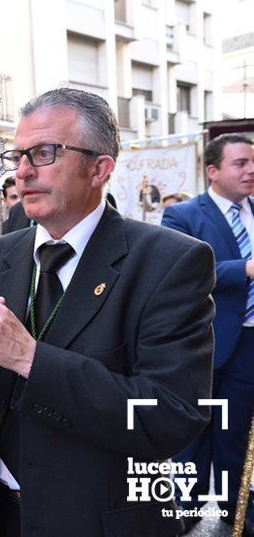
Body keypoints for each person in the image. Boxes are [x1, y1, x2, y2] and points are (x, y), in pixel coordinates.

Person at [0, 88, 215, 536]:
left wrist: (27, 356)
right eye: (17, 155)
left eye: (44, 153)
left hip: (97, 518)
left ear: (99, 169)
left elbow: (171, 414)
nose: (22, 171)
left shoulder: (169, 261)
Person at [161, 133, 254, 534]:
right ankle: (186, 509)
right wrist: (244, 269)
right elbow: (180, 273)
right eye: (240, 164)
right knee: (191, 434)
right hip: (201, 344)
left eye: (252, 162)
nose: (250, 170)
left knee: (237, 435)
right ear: (212, 171)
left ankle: (240, 516)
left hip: (249, 344)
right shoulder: (183, 215)